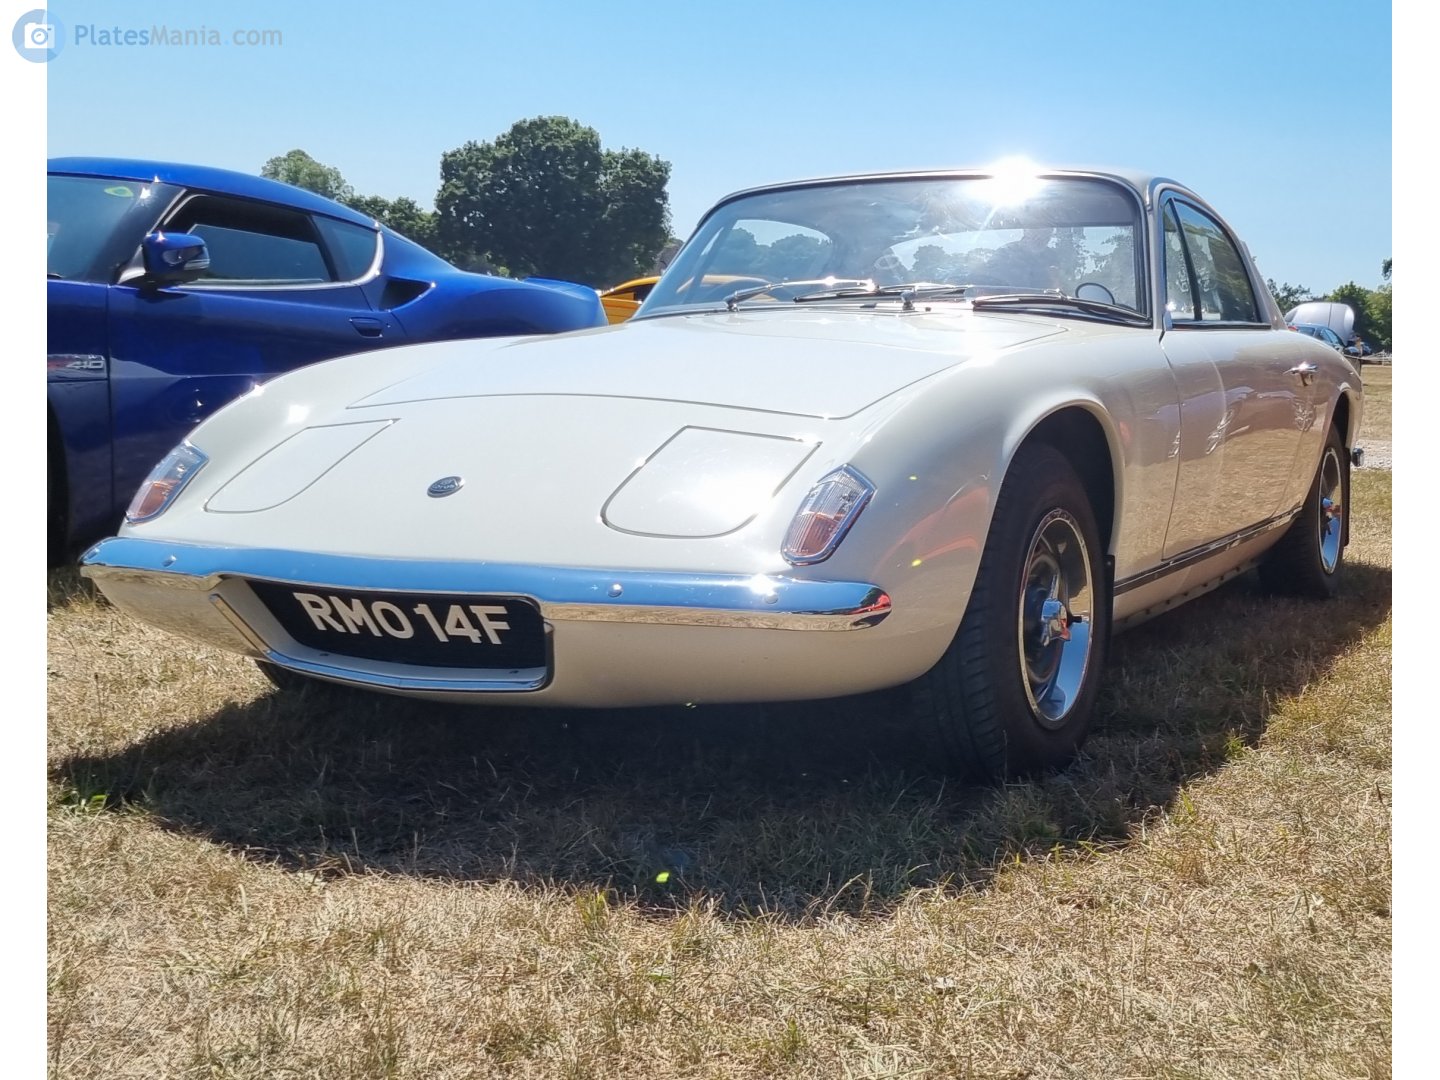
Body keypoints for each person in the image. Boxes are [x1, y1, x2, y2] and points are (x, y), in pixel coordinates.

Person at [983, 226, 1061, 291]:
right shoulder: (1005, 253)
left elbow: (1060, 288)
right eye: (1036, 232)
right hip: (1006, 304)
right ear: (1025, 231)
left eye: (1046, 234)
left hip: (1047, 304)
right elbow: (989, 285)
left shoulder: (1052, 257)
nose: (1040, 237)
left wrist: (1055, 279)